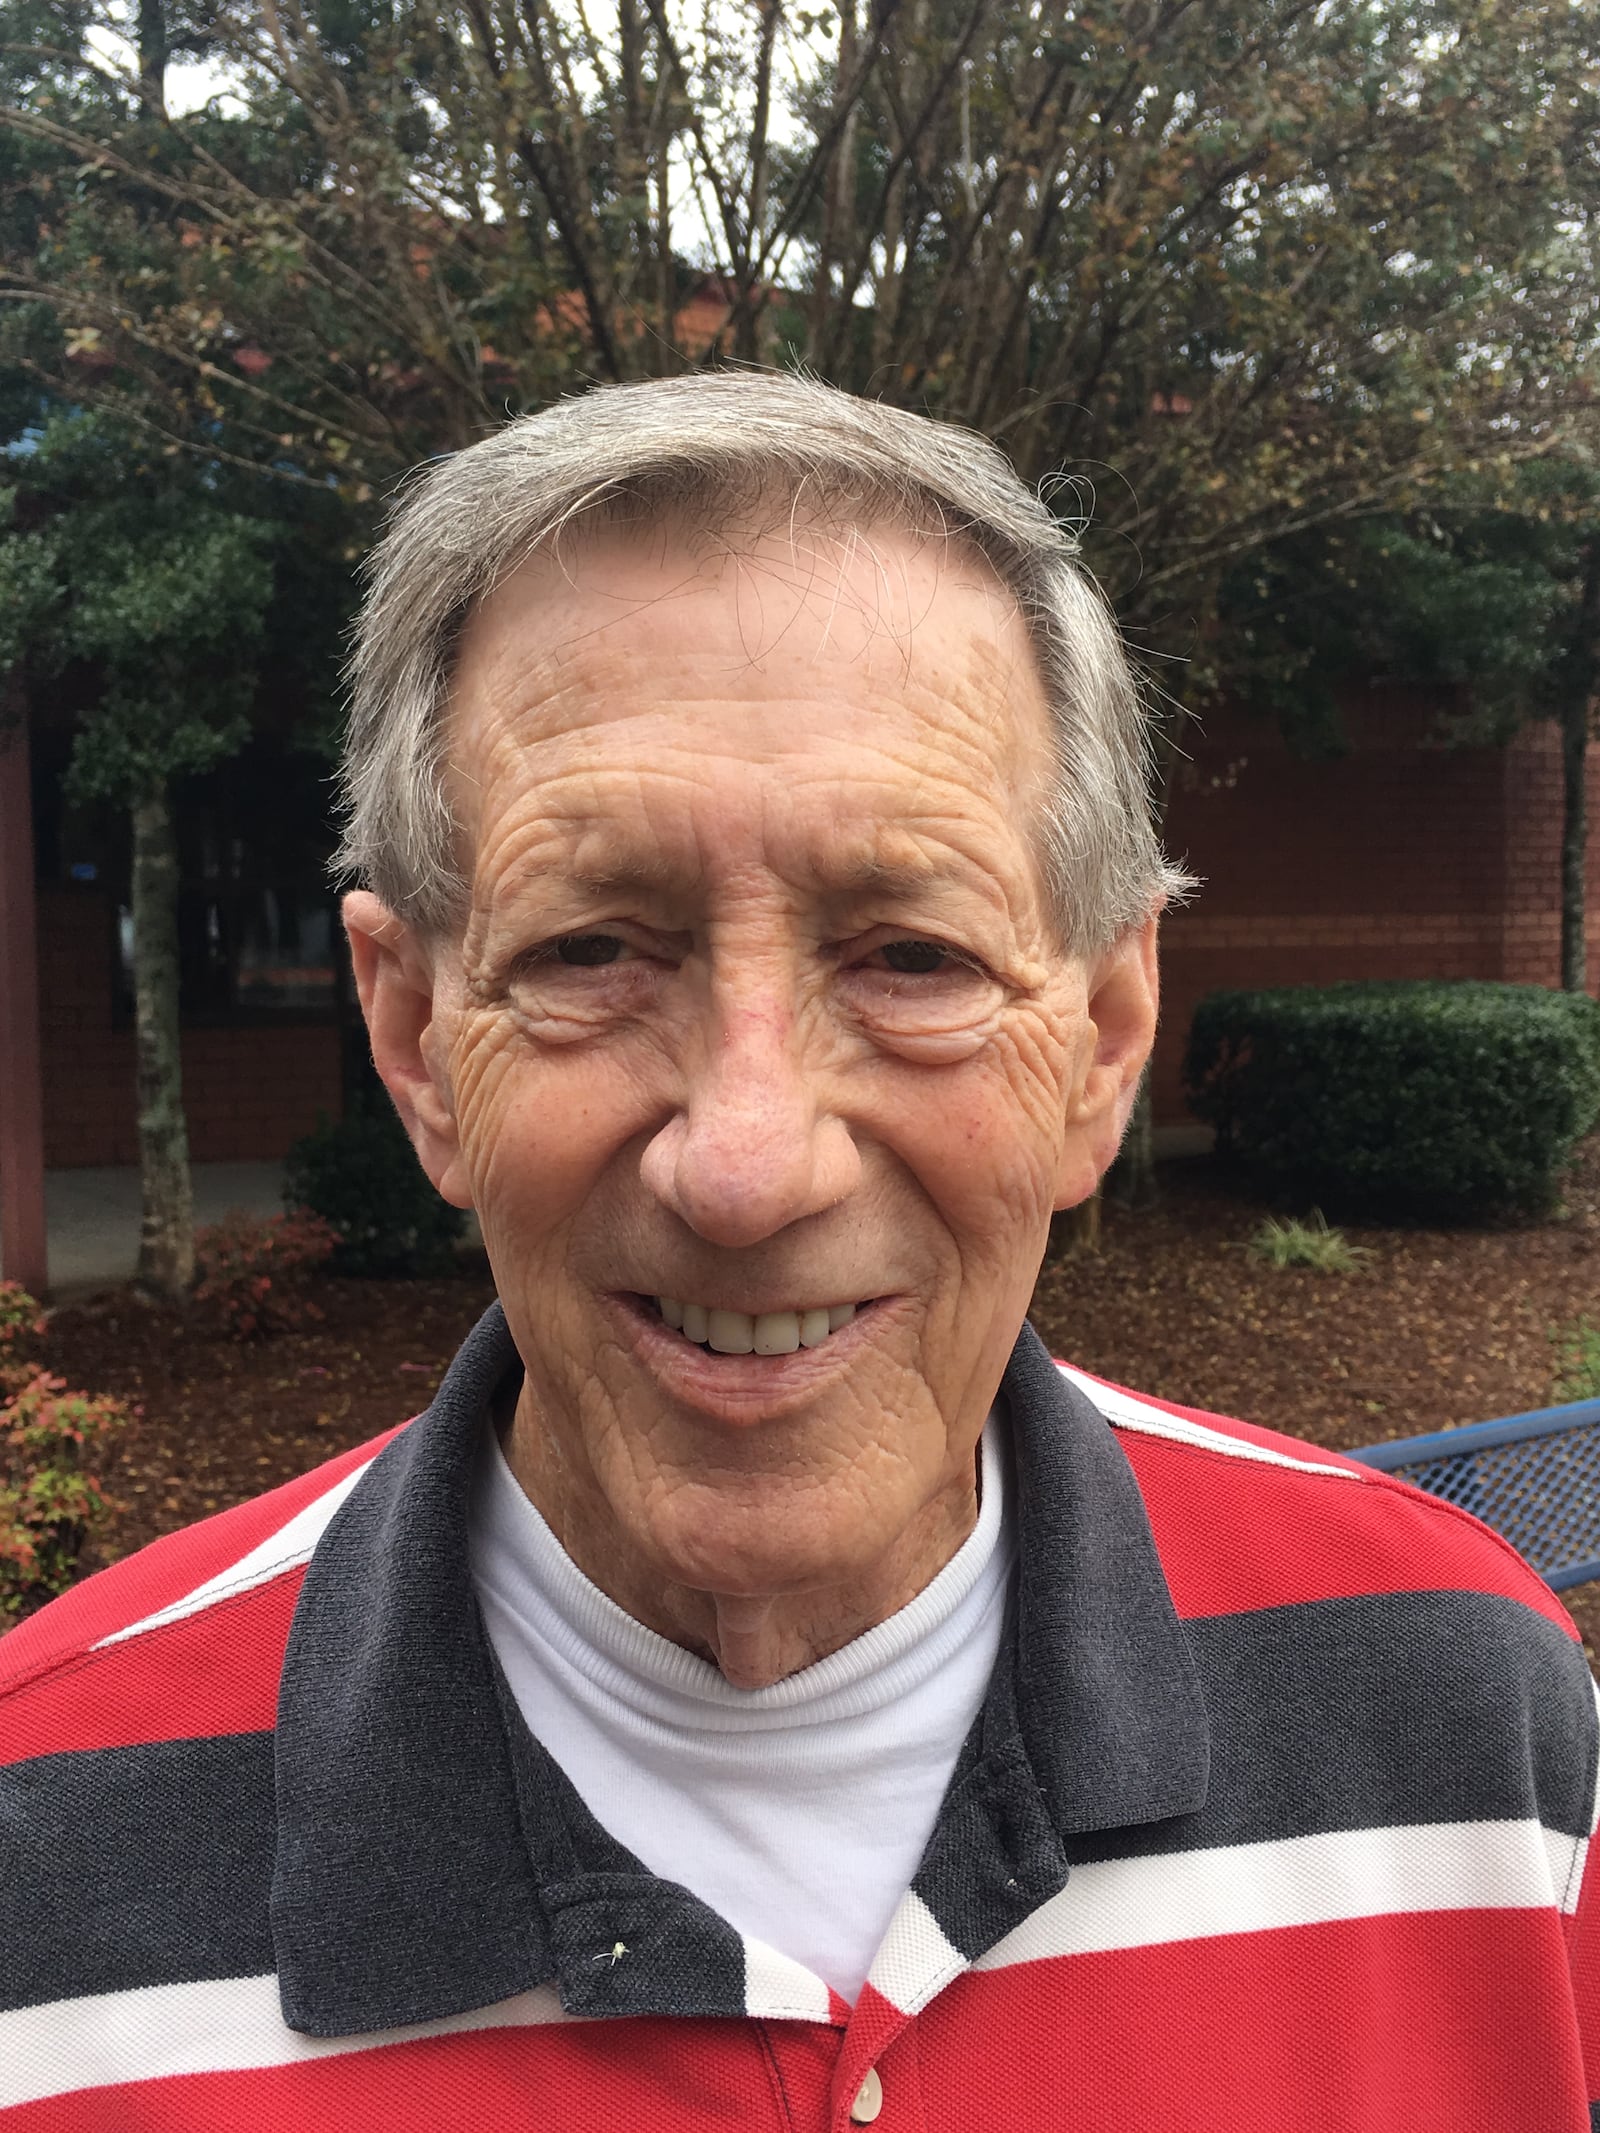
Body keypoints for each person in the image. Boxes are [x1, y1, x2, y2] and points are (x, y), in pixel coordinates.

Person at [2, 372, 1596, 2133]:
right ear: (412, 1039)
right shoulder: (39, 1854)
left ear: (1108, 1036)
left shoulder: (1477, 1738)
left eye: (911, 958)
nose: (746, 1166)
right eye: (594, 948)